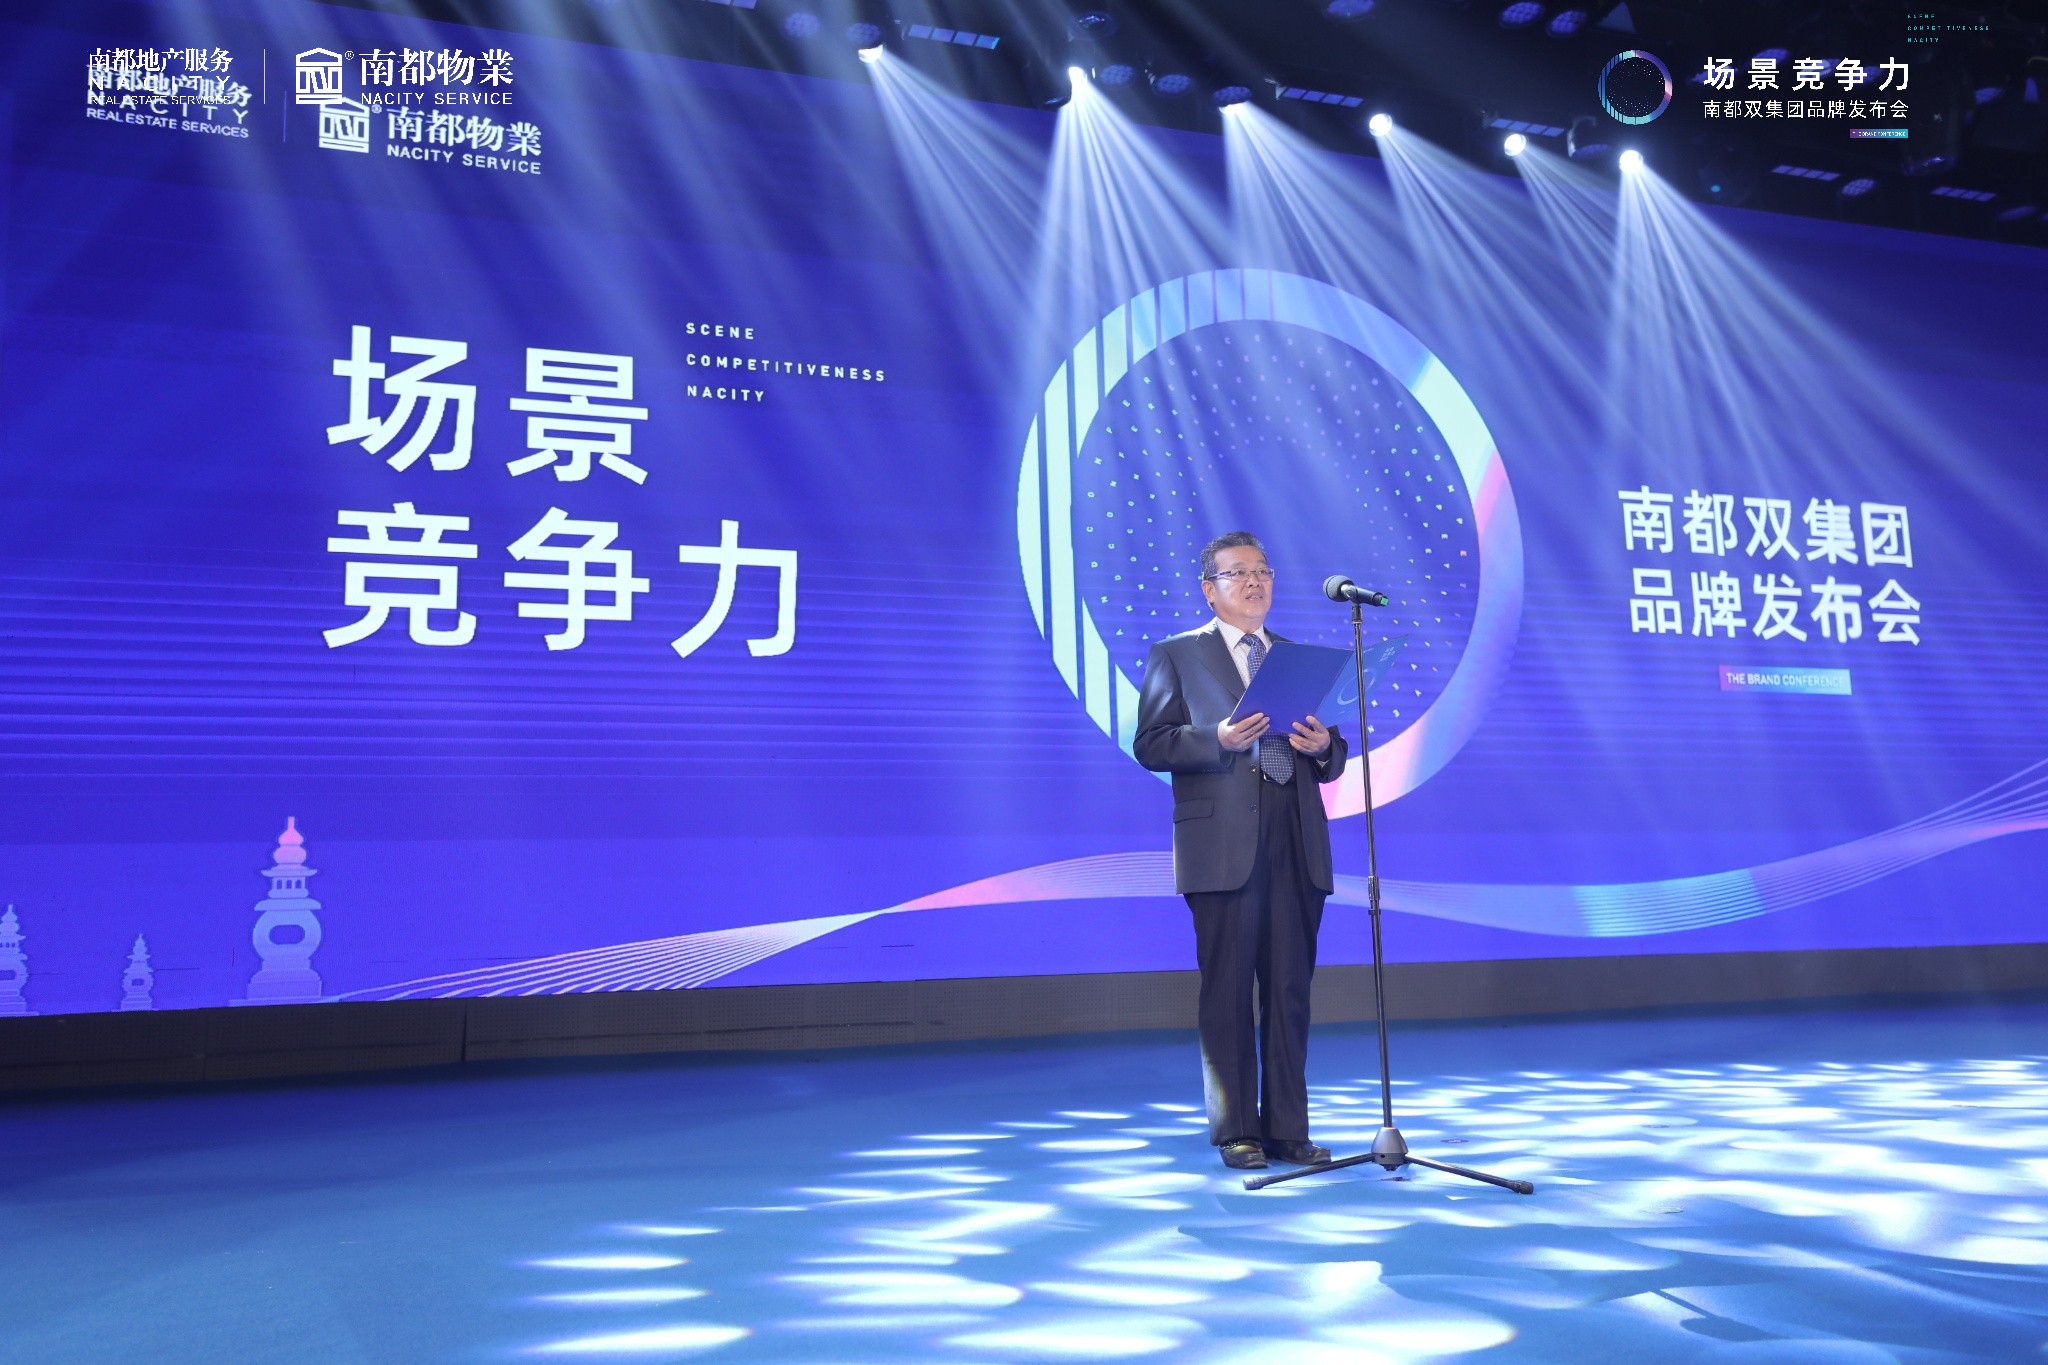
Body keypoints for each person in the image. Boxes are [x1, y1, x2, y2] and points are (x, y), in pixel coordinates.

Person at [1134, 531, 1349, 1171]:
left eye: (1262, 571)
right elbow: (1152, 743)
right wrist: (1217, 738)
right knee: (1228, 990)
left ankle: (1287, 1128)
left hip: (1295, 836)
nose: (1254, 582)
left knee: (1289, 990)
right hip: (1222, 843)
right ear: (1210, 589)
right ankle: (1237, 1130)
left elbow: (1334, 753)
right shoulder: (1176, 654)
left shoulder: (1297, 659)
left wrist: (1324, 748)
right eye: (1238, 573)